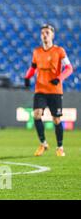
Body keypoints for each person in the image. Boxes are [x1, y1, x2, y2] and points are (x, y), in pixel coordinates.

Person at [24, 24, 73, 157]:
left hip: (55, 90)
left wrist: (59, 78)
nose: (44, 35)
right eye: (42, 33)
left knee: (56, 120)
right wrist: (27, 77)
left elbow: (69, 68)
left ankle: (60, 147)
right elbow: (33, 67)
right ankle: (43, 143)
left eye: (47, 32)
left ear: (52, 35)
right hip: (40, 89)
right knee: (36, 115)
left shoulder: (59, 51)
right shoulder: (37, 52)